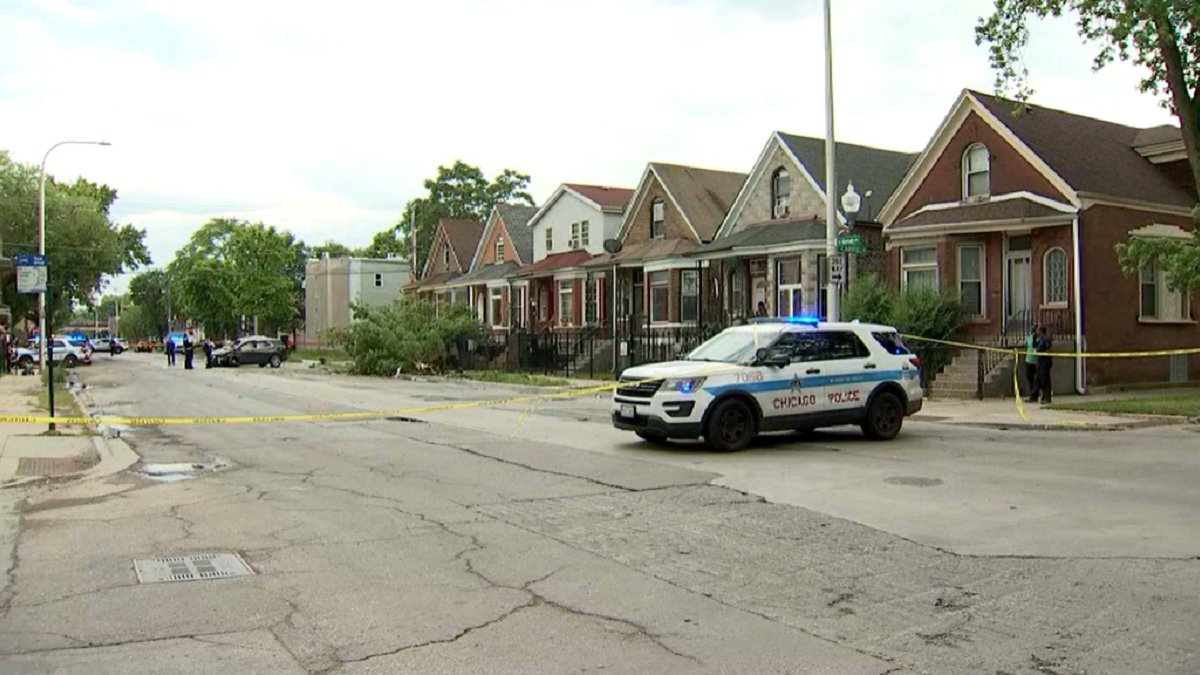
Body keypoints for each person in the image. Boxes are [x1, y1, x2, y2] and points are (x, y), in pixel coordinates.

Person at [1035, 325, 1053, 404]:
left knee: (1045, 379)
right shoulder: (1039, 339)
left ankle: (1047, 397)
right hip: (1040, 360)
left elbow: (1048, 348)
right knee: (1040, 379)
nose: (1037, 332)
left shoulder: (1046, 339)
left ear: (1041, 331)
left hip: (1045, 361)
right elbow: (1035, 346)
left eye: (1038, 330)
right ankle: (1042, 396)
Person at [1024, 325, 1040, 402]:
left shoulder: (1039, 339)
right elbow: (1025, 344)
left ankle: (1035, 395)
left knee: (1036, 379)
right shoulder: (1028, 338)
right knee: (1030, 378)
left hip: (1036, 361)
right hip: (1029, 360)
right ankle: (1033, 394)